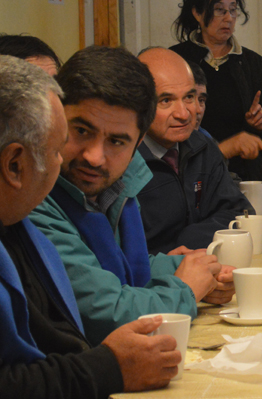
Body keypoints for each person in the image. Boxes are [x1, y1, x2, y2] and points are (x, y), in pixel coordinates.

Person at [0, 55, 181, 398]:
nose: (92, 158)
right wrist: (107, 369)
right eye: (56, 150)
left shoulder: (14, 223)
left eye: (116, 141)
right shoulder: (32, 211)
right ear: (13, 164)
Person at [28, 46, 234, 346]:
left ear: (138, 142)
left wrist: (195, 270)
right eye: (82, 131)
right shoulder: (33, 196)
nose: (95, 157)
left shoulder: (120, 183)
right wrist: (185, 289)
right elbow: (104, 314)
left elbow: (116, 266)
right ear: (56, 119)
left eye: (116, 141)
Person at [136, 47, 254, 254]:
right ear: (138, 103)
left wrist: (186, 242)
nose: (184, 114)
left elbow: (239, 214)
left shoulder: (202, 146)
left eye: (189, 97)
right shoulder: (121, 159)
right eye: (166, 100)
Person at [171, 0, 262, 193]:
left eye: (233, 10)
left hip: (246, 178)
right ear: (197, 12)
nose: (229, 18)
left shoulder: (254, 64)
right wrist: (224, 148)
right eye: (220, 10)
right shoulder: (176, 60)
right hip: (191, 176)